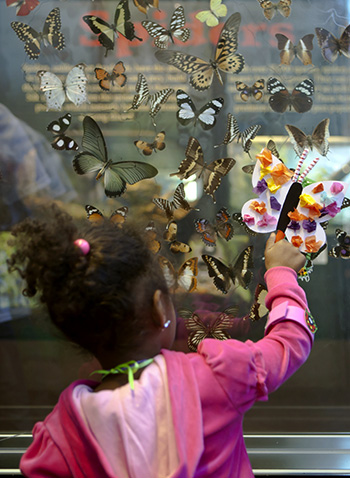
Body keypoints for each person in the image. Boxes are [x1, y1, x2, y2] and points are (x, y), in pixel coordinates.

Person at [8, 204, 315, 478]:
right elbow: (290, 341)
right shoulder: (217, 376)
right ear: (160, 306)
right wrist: (281, 272)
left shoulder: (58, 435)